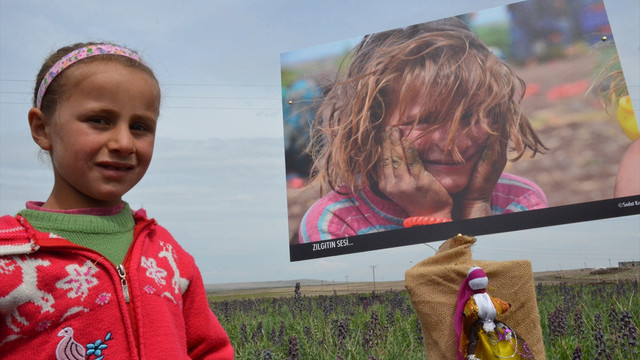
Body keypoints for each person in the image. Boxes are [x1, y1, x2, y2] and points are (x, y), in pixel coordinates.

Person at [0, 42, 234, 359]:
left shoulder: (168, 255)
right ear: (42, 129)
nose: (124, 142)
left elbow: (210, 350)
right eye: (99, 120)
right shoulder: (9, 256)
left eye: (140, 127)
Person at [298, 18, 548, 243]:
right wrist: (432, 217)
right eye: (425, 121)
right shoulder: (336, 223)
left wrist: (476, 207)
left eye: (470, 117)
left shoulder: (521, 201)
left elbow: (495, 289)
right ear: (369, 127)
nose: (454, 143)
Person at [455, 266, 534, 360]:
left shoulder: (473, 301)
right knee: (478, 339)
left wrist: (467, 313)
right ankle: (472, 355)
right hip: (490, 325)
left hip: (483, 326)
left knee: (474, 339)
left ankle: (471, 355)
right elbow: (501, 305)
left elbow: (469, 311)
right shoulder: (490, 300)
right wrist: (507, 305)